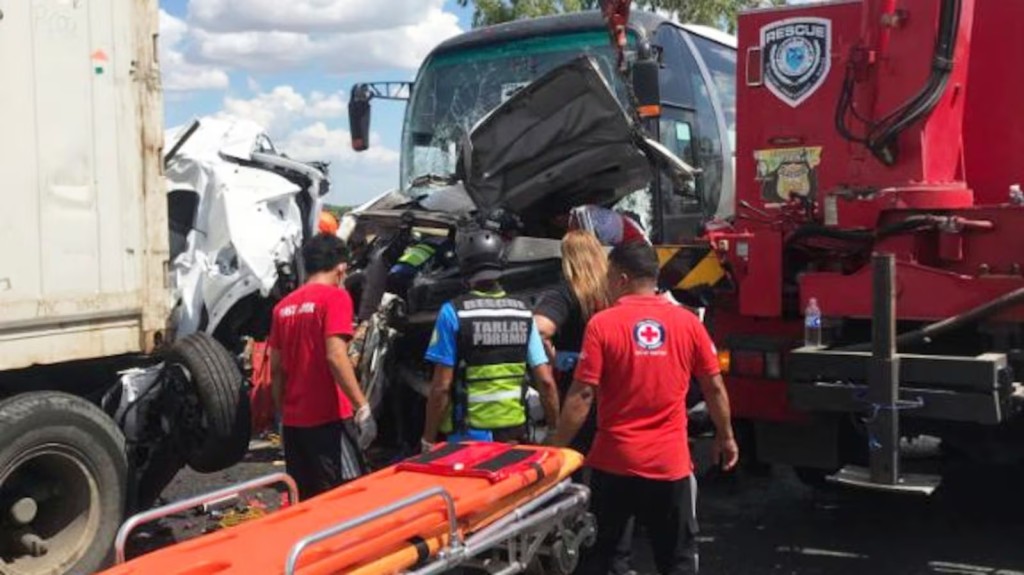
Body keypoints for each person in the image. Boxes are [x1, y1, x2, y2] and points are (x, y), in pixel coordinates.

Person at [550, 241, 738, 575]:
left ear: (621, 278)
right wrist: (726, 437)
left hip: (615, 463)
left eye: (609, 276)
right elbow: (714, 387)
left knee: (607, 559)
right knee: (677, 560)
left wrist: (555, 449)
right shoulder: (688, 323)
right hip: (670, 465)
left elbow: (582, 397)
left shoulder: (603, 325)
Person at [420, 227, 560, 451]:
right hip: (515, 436)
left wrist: (428, 438)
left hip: (467, 440)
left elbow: (441, 388)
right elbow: (546, 382)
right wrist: (554, 430)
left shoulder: (453, 312)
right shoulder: (524, 313)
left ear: (464, 267)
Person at [268, 234, 377, 500]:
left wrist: (282, 414)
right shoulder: (335, 298)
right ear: (341, 268)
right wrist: (362, 407)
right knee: (343, 498)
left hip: (295, 424)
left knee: (306, 501)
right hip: (329, 420)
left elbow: (277, 369)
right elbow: (336, 356)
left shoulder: (282, 308)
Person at [533, 229, 611, 454]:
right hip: (612, 386)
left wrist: (552, 355)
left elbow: (539, 329)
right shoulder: (614, 291)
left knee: (572, 457)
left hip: (575, 387)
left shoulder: (565, 292)